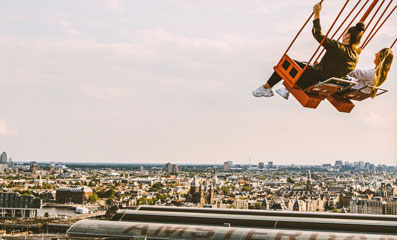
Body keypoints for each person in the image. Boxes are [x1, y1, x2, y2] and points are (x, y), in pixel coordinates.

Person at [253, 2, 365, 99]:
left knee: (286, 63)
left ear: (347, 37)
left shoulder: (338, 48)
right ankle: (285, 89)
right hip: (325, 84)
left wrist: (317, 13)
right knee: (304, 65)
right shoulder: (356, 56)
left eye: (345, 34)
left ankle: (266, 88)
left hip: (313, 80)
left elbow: (318, 35)